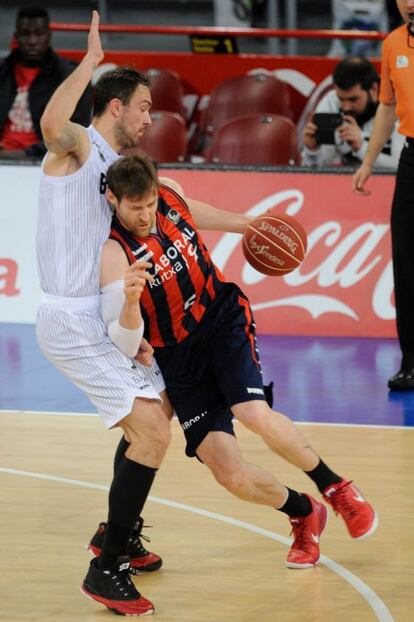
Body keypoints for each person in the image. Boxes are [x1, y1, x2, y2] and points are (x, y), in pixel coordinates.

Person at [99, 152, 378, 579]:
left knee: (253, 412)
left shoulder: (170, 194)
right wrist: (132, 301)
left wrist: (246, 223)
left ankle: (336, 486)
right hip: (178, 359)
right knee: (228, 473)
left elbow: (193, 212)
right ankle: (305, 512)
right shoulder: (115, 254)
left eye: (151, 204)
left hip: (220, 320)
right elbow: (124, 339)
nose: (145, 214)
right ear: (114, 200)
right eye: (135, 207)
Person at [35, 11, 183, 617]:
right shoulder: (77, 149)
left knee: (161, 409)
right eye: (144, 106)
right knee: (149, 430)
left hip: (97, 317)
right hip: (68, 321)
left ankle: (114, 532)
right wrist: (90, 65)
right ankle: (107, 568)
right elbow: (49, 122)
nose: (151, 116)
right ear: (115, 106)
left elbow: (171, 199)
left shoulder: (120, 172)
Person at [353, 0, 414, 390]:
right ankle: (410, 362)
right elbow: (387, 108)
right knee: (406, 263)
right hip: (411, 158)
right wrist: (368, 161)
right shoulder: (392, 44)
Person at [0, 6, 92, 160]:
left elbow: (77, 130)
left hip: (47, 159)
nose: (32, 41)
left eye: (39, 34)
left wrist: (26, 154)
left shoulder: (70, 76)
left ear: (49, 35)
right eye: (25, 34)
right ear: (16, 37)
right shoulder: (2, 72)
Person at [302, 56, 404, 169]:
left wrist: (361, 148)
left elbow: (401, 168)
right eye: (341, 99)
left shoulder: (399, 106)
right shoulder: (331, 103)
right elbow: (321, 167)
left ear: (374, 90)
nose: (346, 107)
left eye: (353, 99)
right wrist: (312, 151)